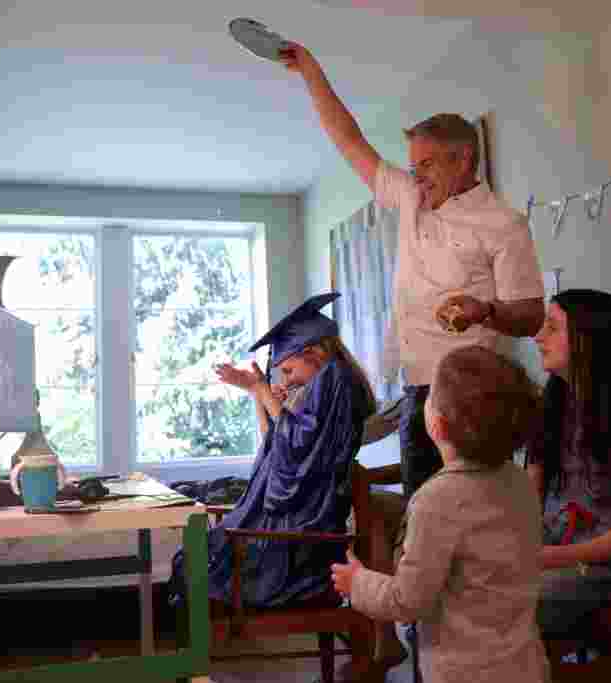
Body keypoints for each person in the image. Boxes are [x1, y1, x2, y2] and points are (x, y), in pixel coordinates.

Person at [278, 43, 545, 499]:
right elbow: (349, 140)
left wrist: (483, 310)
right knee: (421, 511)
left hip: (472, 395)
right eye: (413, 165)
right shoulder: (409, 198)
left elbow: (531, 315)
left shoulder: (503, 224)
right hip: (415, 392)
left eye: (427, 164)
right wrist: (309, 71)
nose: (417, 175)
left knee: (466, 516)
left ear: (462, 159)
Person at [331, 345, 548, 683]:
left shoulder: (435, 499)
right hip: (524, 665)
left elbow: (407, 600)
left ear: (437, 425)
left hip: (463, 672)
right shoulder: (519, 482)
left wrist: (358, 582)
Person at [168, 292, 376, 608]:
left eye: (289, 371)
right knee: (195, 559)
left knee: (201, 566)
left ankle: (194, 651)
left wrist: (266, 393)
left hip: (302, 537)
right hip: (296, 526)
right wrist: (259, 395)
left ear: (312, 353)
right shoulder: (323, 384)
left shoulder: (335, 379)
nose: (288, 381)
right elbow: (278, 447)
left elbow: (296, 450)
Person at [525, 289, 611, 643]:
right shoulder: (550, 408)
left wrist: (545, 558)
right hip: (554, 559)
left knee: (506, 600)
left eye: (552, 327)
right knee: (471, 585)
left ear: (588, 337)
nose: (539, 337)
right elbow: (526, 503)